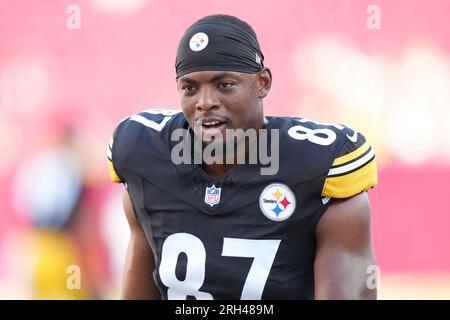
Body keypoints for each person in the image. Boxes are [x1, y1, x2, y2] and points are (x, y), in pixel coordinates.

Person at [107, 14, 378, 300]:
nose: (205, 102)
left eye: (224, 84)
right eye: (190, 87)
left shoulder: (318, 167)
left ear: (262, 83)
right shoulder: (144, 155)